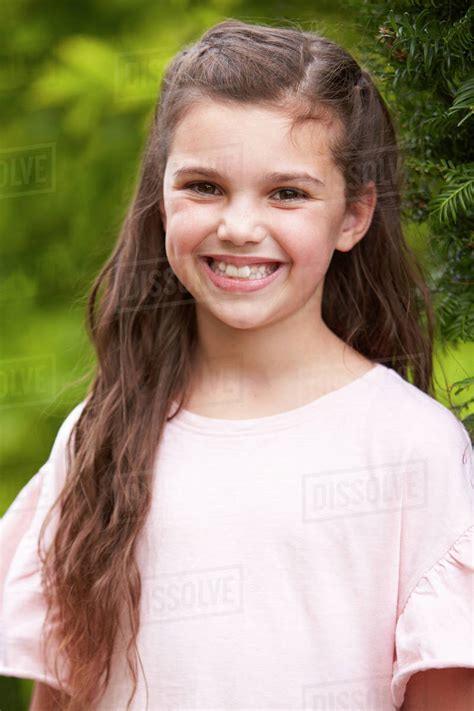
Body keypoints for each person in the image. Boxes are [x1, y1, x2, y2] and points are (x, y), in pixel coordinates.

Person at [0, 18, 472, 711]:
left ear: (354, 215)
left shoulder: (414, 447)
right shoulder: (97, 435)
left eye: (288, 193)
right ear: (160, 198)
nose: (240, 226)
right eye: (204, 186)